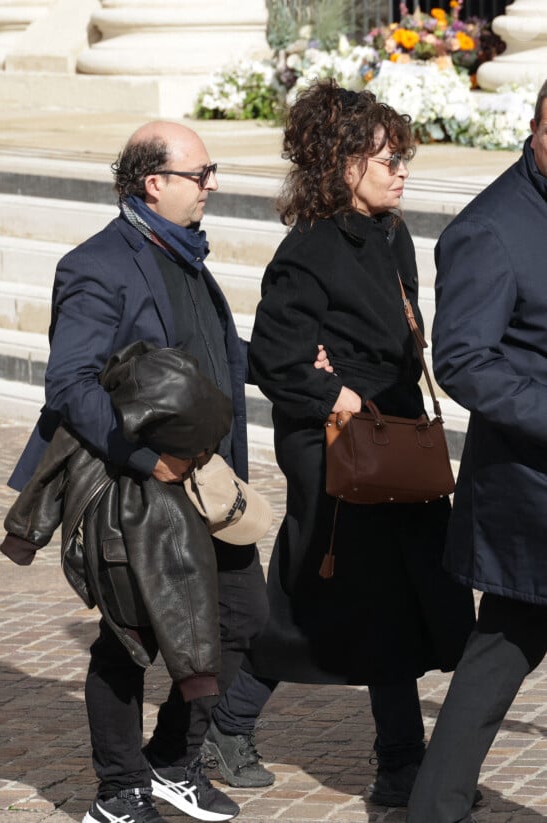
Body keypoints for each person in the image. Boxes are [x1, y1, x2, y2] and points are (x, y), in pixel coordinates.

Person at [201, 78, 476, 807]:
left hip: (393, 440)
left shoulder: (393, 234)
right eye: (387, 158)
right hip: (334, 449)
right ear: (342, 163)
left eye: (403, 156)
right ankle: (239, 726)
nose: (402, 170)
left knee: (398, 598)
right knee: (324, 596)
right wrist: (341, 394)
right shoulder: (310, 249)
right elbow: (273, 356)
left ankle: (398, 764)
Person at [5, 120, 273, 823]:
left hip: (204, 479)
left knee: (243, 617)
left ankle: (171, 762)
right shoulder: (98, 263)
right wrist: (146, 459)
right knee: (132, 636)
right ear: (154, 183)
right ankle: (119, 790)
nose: (211, 185)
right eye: (200, 173)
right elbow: (69, 383)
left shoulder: (184, 254)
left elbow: (215, 352)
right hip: (135, 485)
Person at [406, 79, 547, 823]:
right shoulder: (488, 229)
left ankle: (436, 803)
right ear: (534, 127)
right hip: (533, 487)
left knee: (503, 645)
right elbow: (461, 358)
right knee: (502, 643)